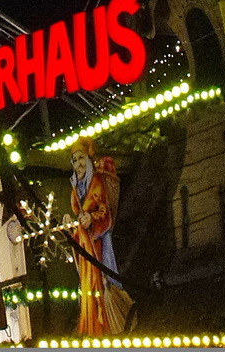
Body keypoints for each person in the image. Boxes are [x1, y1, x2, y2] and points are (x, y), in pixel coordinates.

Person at [69, 138, 134, 336]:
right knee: (88, 287)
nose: (78, 163)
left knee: (104, 282)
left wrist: (91, 218)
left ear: (88, 159)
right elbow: (76, 215)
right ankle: (91, 327)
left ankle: (109, 323)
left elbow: (105, 214)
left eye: (81, 158)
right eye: (74, 160)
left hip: (98, 244)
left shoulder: (96, 182)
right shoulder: (75, 187)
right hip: (84, 244)